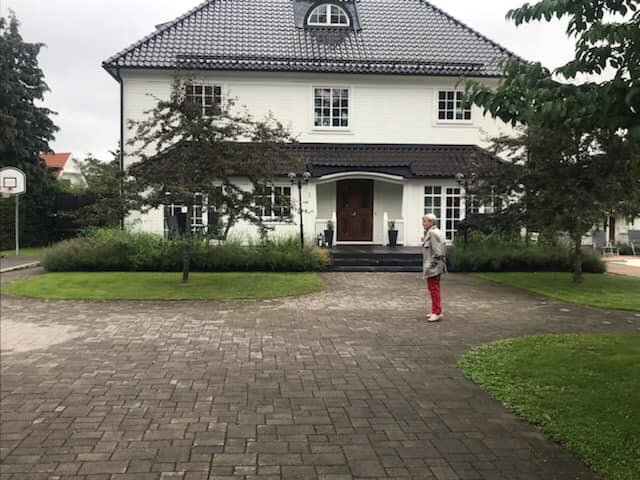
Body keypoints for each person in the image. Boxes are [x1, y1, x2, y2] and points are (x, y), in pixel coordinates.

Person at [421, 214, 446, 322]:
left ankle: (437, 312)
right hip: (435, 266)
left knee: (434, 289)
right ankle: (435, 310)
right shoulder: (433, 232)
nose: (423, 223)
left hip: (434, 267)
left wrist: (431, 265)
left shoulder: (432, 233)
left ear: (431, 222)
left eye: (425, 221)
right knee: (433, 289)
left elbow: (438, 252)